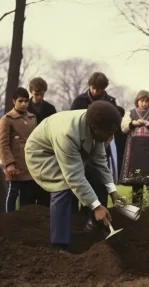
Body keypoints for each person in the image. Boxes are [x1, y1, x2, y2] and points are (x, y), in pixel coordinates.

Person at [24, 101, 125, 252]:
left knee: (95, 176)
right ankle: (60, 245)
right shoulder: (67, 133)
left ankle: (92, 225)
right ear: (94, 128)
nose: (111, 138)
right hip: (43, 156)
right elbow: (74, 176)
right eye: (109, 134)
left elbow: (101, 163)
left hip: (70, 153)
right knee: (63, 187)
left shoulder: (97, 122)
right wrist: (96, 206)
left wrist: (113, 191)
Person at [70, 72, 119, 222]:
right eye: (93, 88)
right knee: (79, 179)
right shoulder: (79, 101)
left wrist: (107, 139)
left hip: (102, 146)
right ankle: (76, 217)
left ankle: (99, 218)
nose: (95, 92)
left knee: (99, 180)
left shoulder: (110, 101)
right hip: (81, 149)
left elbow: (114, 124)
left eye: (99, 89)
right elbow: (72, 123)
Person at [120, 90, 149, 206]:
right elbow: (124, 128)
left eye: (146, 101)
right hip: (135, 152)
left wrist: (148, 124)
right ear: (137, 101)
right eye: (142, 101)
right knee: (136, 180)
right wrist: (133, 124)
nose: (144, 103)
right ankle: (137, 208)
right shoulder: (129, 113)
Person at [0, 87, 37, 212]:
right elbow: (3, 144)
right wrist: (9, 163)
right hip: (15, 165)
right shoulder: (7, 119)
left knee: (28, 196)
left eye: (26, 101)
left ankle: (23, 224)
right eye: (20, 101)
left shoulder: (32, 118)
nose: (24, 104)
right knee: (13, 194)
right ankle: (8, 221)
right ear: (14, 102)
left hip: (30, 163)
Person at [27, 77, 57, 207]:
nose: (39, 97)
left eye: (41, 94)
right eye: (36, 94)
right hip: (28, 149)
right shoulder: (24, 107)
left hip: (45, 150)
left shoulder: (50, 109)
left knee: (45, 189)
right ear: (31, 93)